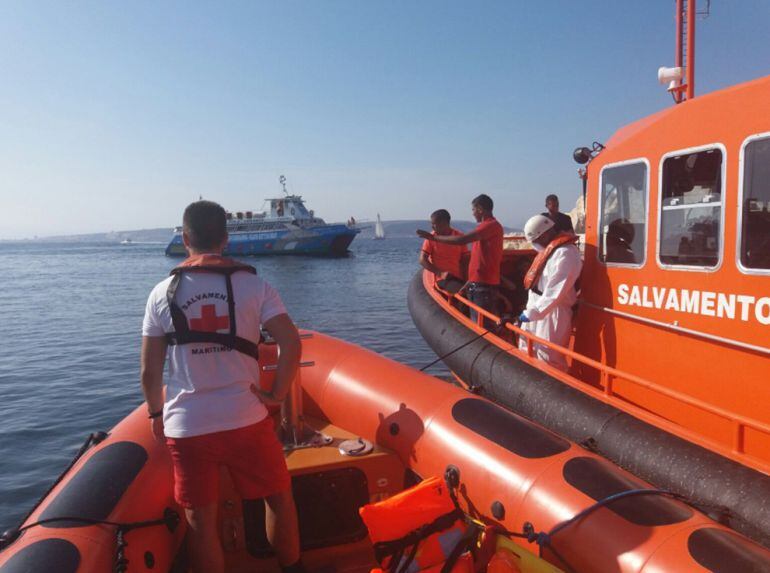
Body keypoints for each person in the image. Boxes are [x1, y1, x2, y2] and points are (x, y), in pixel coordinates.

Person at [141, 200, 304, 573]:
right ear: (226, 240)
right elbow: (291, 343)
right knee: (278, 500)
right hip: (247, 418)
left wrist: (155, 411)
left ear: (185, 238)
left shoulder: (160, 293)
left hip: (189, 426)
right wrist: (276, 395)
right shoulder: (256, 286)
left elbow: (150, 372)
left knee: (201, 523)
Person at [417, 194, 503, 327]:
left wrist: (434, 239)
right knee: (473, 311)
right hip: (464, 280)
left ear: (480, 209)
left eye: (473, 210)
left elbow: (462, 244)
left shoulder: (489, 226)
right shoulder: (486, 227)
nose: (473, 213)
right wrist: (441, 273)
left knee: (482, 322)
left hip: (480, 282)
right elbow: (423, 259)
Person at [518, 214, 582, 371]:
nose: (535, 245)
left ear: (545, 234)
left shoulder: (566, 253)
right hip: (536, 310)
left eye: (536, 241)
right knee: (527, 349)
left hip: (553, 314)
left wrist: (534, 312)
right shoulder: (550, 251)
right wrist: (530, 312)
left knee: (549, 358)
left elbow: (556, 290)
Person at [418, 209, 468, 293]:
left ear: (444, 223)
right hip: (443, 278)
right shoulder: (431, 238)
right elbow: (422, 259)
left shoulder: (458, 237)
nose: (432, 227)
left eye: (434, 224)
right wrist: (440, 273)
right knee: (463, 292)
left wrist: (467, 280)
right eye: (432, 224)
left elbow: (465, 260)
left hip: (459, 277)